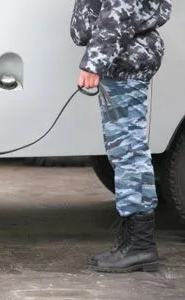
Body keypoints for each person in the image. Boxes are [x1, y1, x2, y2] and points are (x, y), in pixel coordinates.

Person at [69, 0, 172, 273]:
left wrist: (94, 62)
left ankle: (140, 246)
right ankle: (131, 242)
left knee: (129, 150)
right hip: (123, 60)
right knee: (125, 151)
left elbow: (119, 9)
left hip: (126, 60)